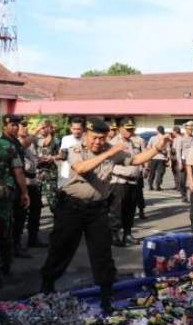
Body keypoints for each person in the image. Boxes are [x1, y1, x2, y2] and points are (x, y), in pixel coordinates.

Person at [41, 118, 168, 312]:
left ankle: (106, 294)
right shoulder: (77, 150)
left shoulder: (111, 149)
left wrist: (157, 148)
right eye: (94, 138)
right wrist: (110, 152)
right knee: (61, 248)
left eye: (102, 138)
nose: (98, 142)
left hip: (97, 209)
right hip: (71, 208)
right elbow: (82, 168)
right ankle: (47, 286)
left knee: (102, 253)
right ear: (86, 135)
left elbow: (135, 160)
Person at [0, 114, 30, 286]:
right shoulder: (5, 144)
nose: (15, 127)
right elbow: (18, 171)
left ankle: (2, 266)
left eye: (17, 125)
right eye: (12, 124)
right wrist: (24, 191)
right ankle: (1, 269)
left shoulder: (13, 142)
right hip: (1, 194)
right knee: (0, 231)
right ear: (3, 126)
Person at [108, 119, 145, 246]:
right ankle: (114, 235)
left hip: (133, 181)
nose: (131, 131)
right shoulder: (113, 143)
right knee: (117, 210)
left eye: (132, 129)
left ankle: (127, 234)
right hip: (119, 181)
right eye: (128, 129)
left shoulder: (134, 142)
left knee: (130, 209)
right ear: (120, 129)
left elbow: (139, 158)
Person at [14, 129, 44, 249]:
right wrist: (37, 131)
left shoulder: (30, 145)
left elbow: (33, 160)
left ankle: (33, 238)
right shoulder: (15, 142)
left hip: (32, 183)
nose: (25, 128)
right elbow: (24, 143)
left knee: (36, 210)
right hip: (23, 183)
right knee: (21, 214)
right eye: (23, 126)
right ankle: (17, 244)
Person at [33, 119, 60, 228]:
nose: (44, 130)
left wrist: (52, 158)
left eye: (46, 127)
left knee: (53, 201)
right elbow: (45, 143)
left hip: (50, 173)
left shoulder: (55, 140)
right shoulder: (34, 139)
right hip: (37, 173)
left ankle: (60, 225)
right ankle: (34, 232)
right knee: (36, 203)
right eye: (42, 128)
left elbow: (60, 154)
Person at [173, 121, 193, 203]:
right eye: (189, 129)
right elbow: (178, 151)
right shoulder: (181, 139)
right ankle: (184, 196)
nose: (191, 130)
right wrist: (179, 162)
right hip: (184, 161)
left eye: (192, 129)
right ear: (186, 129)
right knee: (182, 180)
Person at [147, 126, 170, 191]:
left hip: (153, 157)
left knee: (152, 172)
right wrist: (168, 158)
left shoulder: (152, 138)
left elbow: (148, 147)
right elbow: (168, 150)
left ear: (157, 131)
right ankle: (158, 186)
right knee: (160, 173)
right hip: (162, 158)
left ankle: (150, 185)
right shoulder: (166, 138)